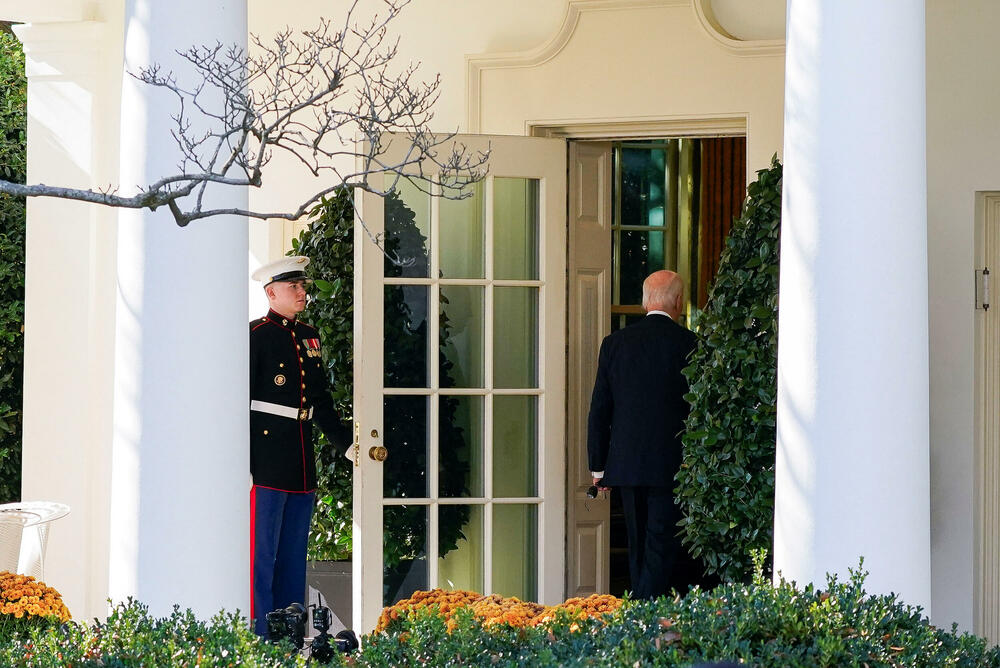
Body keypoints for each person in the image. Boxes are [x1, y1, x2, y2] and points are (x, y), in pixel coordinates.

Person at [249, 255, 352, 637]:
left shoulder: (310, 335)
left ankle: (291, 634)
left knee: (293, 556)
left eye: (303, 286)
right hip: (266, 457)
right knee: (262, 557)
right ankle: (260, 635)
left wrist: (346, 445)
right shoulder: (255, 335)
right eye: (294, 287)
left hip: (300, 456)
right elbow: (239, 403)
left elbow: (320, 401)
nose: (302, 292)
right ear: (271, 292)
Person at [586, 270, 697, 600]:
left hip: (627, 465)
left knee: (637, 546)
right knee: (661, 544)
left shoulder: (615, 344)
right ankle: (649, 618)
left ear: (645, 301)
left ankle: (641, 614)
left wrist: (598, 467)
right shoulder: (691, 345)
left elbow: (600, 408)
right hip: (674, 465)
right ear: (678, 301)